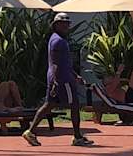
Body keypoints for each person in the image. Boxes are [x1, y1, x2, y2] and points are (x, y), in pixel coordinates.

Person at [24, 15, 93, 146]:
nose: (66, 25)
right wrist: (56, 81)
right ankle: (77, 137)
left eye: (67, 23)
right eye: (62, 23)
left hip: (61, 77)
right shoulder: (58, 41)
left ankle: (30, 132)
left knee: (49, 104)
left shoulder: (57, 39)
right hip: (62, 79)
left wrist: (75, 75)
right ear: (55, 25)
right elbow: (56, 63)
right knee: (74, 105)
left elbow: (64, 62)